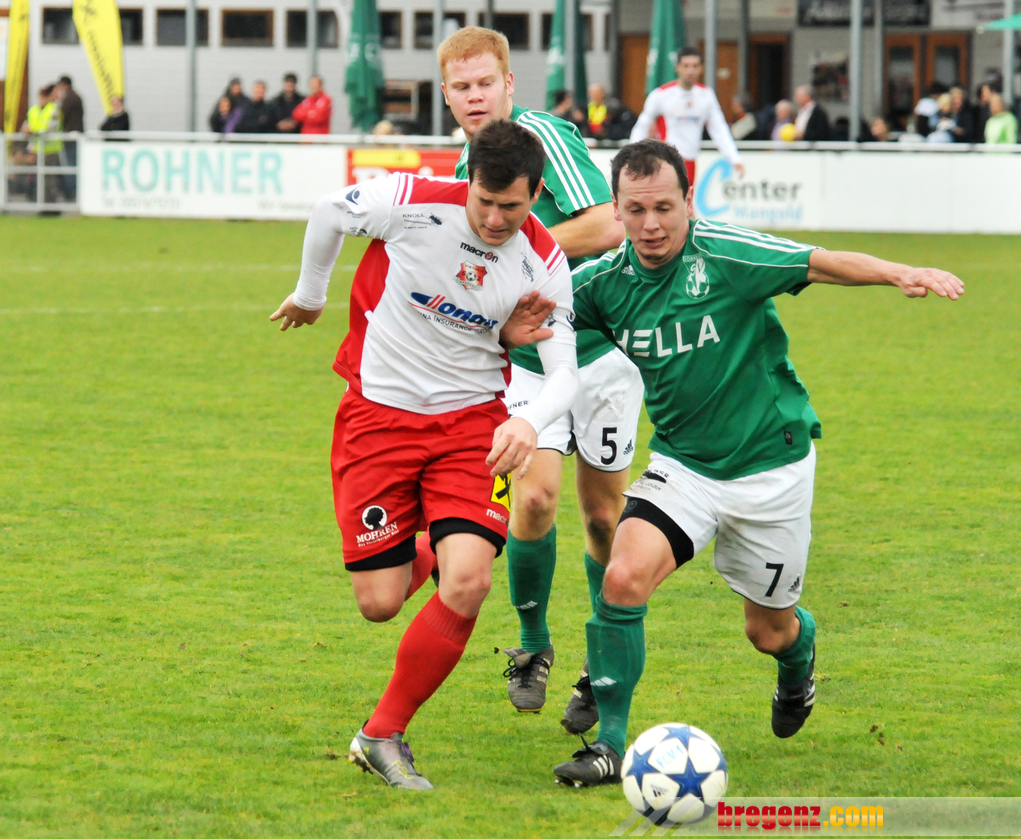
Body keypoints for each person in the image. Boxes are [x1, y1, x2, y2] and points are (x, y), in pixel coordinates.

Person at [551, 139, 965, 787]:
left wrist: (898, 273)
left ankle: (798, 660)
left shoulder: (726, 254)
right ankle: (607, 745)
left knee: (767, 631)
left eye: (664, 207)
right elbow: (531, 312)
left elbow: (818, 262)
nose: (651, 224)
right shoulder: (604, 283)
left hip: (772, 470)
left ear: (689, 201)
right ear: (617, 210)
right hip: (684, 468)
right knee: (623, 577)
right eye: (635, 210)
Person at [270, 119, 579, 790]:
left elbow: (565, 374)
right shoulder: (412, 201)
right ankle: (436, 548)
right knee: (379, 602)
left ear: (536, 193)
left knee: (470, 581)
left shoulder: (544, 261)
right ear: (469, 182)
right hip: (376, 420)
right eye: (484, 201)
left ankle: (381, 734)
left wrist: (528, 421)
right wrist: (312, 295)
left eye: (511, 206)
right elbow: (328, 211)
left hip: (472, 426)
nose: (494, 219)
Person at [438, 26, 639, 731]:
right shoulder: (461, 166)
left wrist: (521, 248)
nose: (474, 97)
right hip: (530, 359)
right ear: (446, 95)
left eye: (484, 83)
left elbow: (608, 224)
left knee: (604, 518)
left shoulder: (543, 136)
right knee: (533, 499)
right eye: (461, 87)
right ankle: (532, 643)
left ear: (508, 84)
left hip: (604, 351)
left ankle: (602, 656)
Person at [630, 47, 744, 185]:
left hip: (690, 161)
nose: (690, 71)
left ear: (701, 68)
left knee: (687, 197)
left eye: (695, 66)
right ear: (677, 67)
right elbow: (642, 126)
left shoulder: (706, 95)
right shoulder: (661, 95)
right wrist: (632, 156)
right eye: (686, 66)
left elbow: (719, 128)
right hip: (666, 161)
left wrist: (734, 157)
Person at [25, 84, 63, 203]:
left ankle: (50, 206)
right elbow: (27, 128)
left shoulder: (53, 109)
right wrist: (31, 149)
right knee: (37, 179)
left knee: (49, 180)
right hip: (37, 150)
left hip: (50, 151)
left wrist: (32, 132)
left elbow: (49, 130)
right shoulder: (33, 110)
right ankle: (40, 203)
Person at [55, 75, 83, 201]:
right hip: (73, 136)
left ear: (65, 85)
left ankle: (72, 194)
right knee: (73, 165)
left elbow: (61, 115)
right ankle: (73, 193)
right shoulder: (76, 97)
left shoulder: (69, 98)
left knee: (70, 166)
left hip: (70, 138)